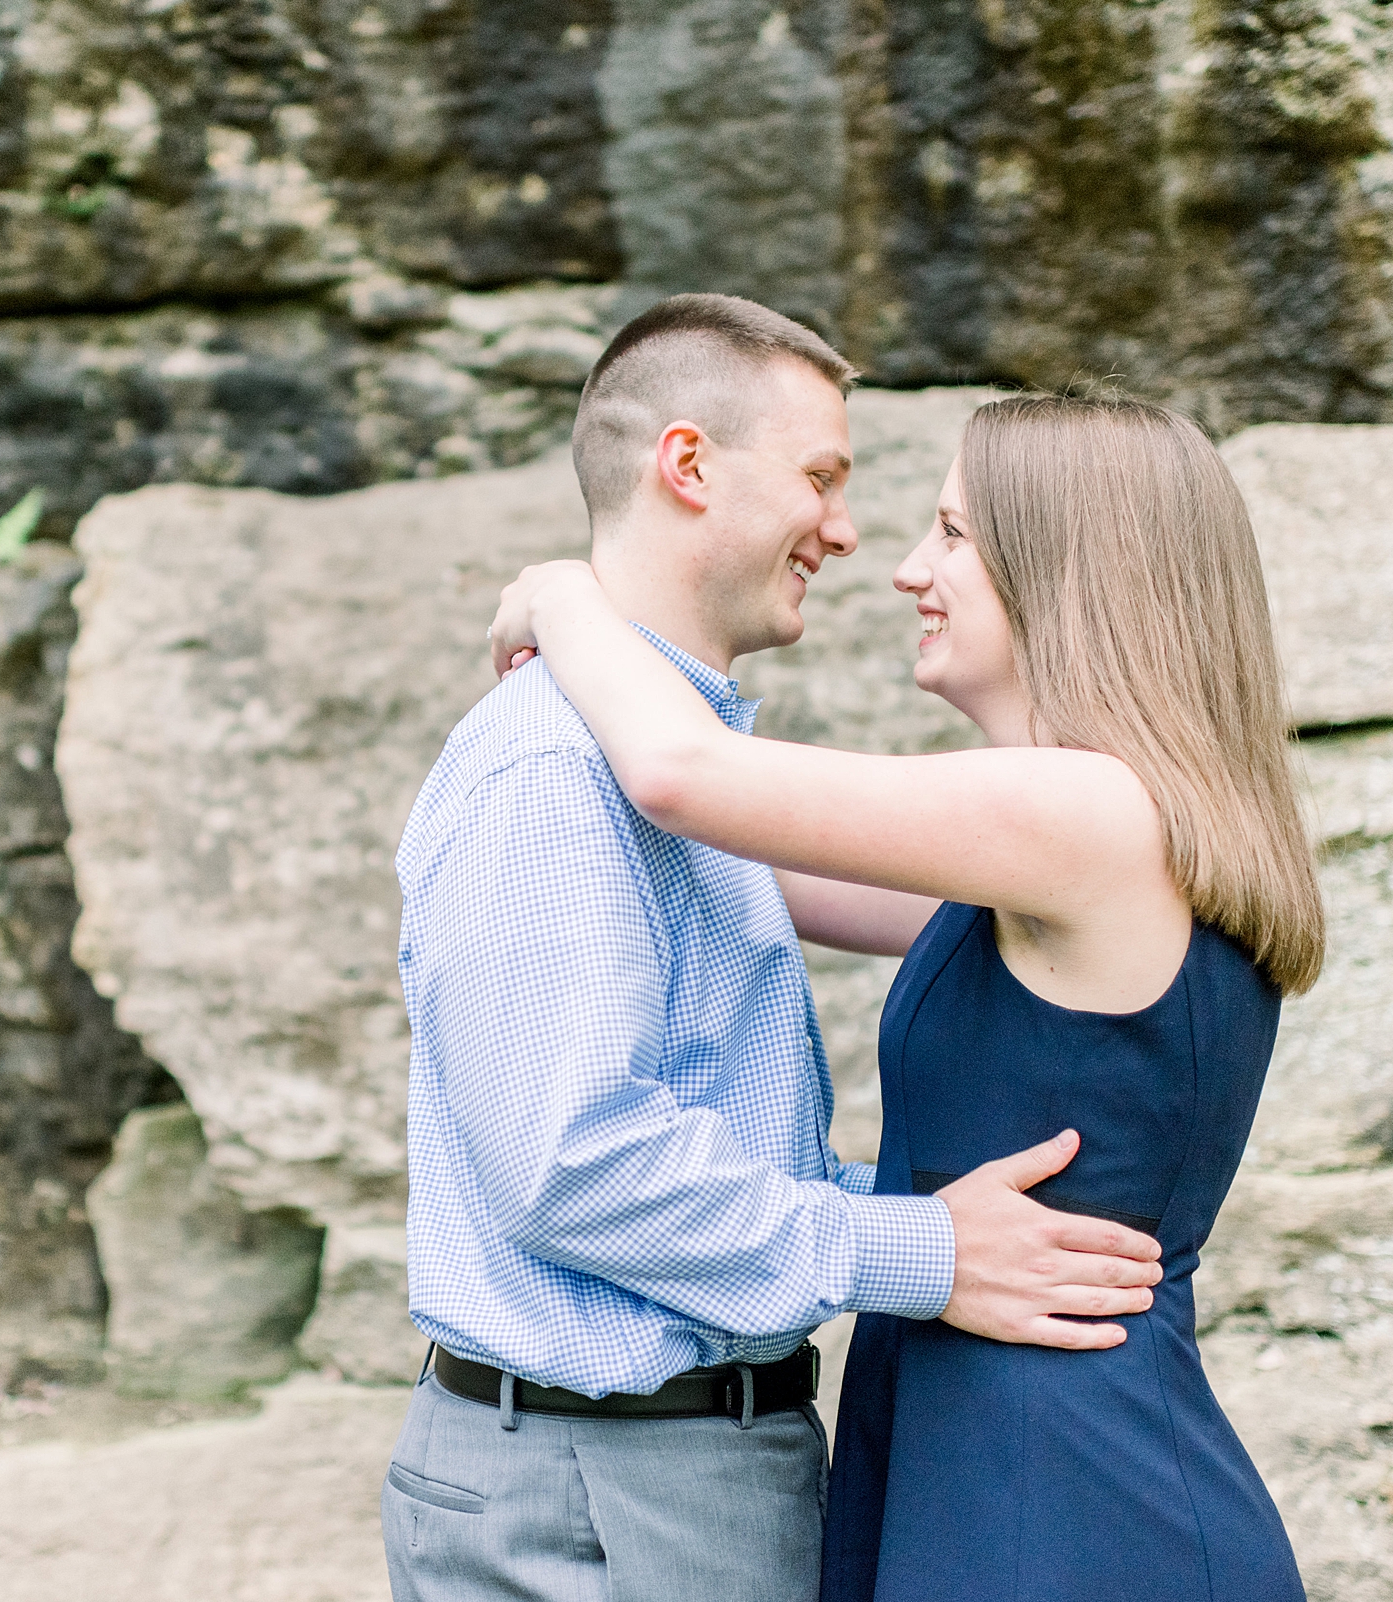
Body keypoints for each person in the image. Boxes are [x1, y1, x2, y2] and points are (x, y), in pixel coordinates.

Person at [385, 295, 1170, 1602]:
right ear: (688, 465)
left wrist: (912, 1224)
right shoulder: (561, 768)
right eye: (823, 477)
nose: (856, 536)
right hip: (606, 1480)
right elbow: (574, 1162)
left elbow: (709, 1129)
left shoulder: (691, 781)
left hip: (674, 1467)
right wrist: (915, 1246)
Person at [486, 385, 1323, 1601]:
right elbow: (738, 870)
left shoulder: (1085, 814)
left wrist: (563, 593)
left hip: (1054, 1489)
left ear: (1064, 569)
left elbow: (679, 775)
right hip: (989, 1444)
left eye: (955, 534)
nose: (907, 570)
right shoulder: (1063, 850)